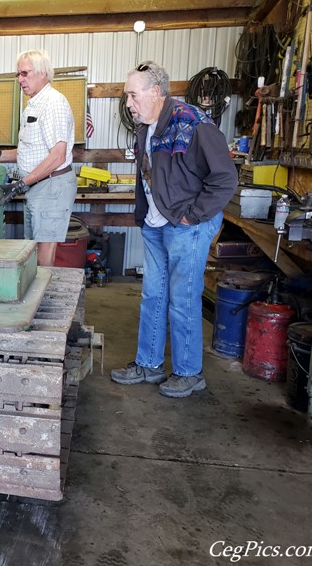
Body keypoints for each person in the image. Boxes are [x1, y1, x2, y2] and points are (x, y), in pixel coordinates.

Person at [110, 60, 238, 398]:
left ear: (155, 93)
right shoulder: (145, 126)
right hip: (155, 224)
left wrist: (192, 215)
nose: (129, 103)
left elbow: (225, 178)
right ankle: (149, 364)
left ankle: (189, 372)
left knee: (182, 299)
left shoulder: (194, 123)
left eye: (133, 96)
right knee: (153, 295)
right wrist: (144, 214)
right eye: (127, 97)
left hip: (186, 227)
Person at [0, 49, 77, 267]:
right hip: (39, 186)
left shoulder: (54, 103)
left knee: (43, 253)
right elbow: (32, 151)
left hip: (52, 187)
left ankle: (43, 300)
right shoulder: (34, 104)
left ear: (42, 73)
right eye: (18, 74)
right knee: (32, 248)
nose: (20, 80)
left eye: (24, 73)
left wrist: (22, 183)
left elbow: (58, 155)